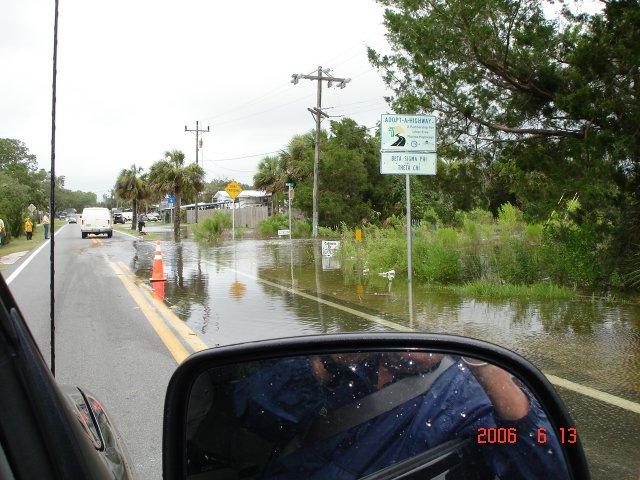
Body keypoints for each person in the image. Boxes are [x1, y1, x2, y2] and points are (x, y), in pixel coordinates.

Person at [206, 352, 570, 480]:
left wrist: (486, 367)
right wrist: (326, 364)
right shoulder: (346, 366)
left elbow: (546, 464)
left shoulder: (463, 395)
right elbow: (252, 412)